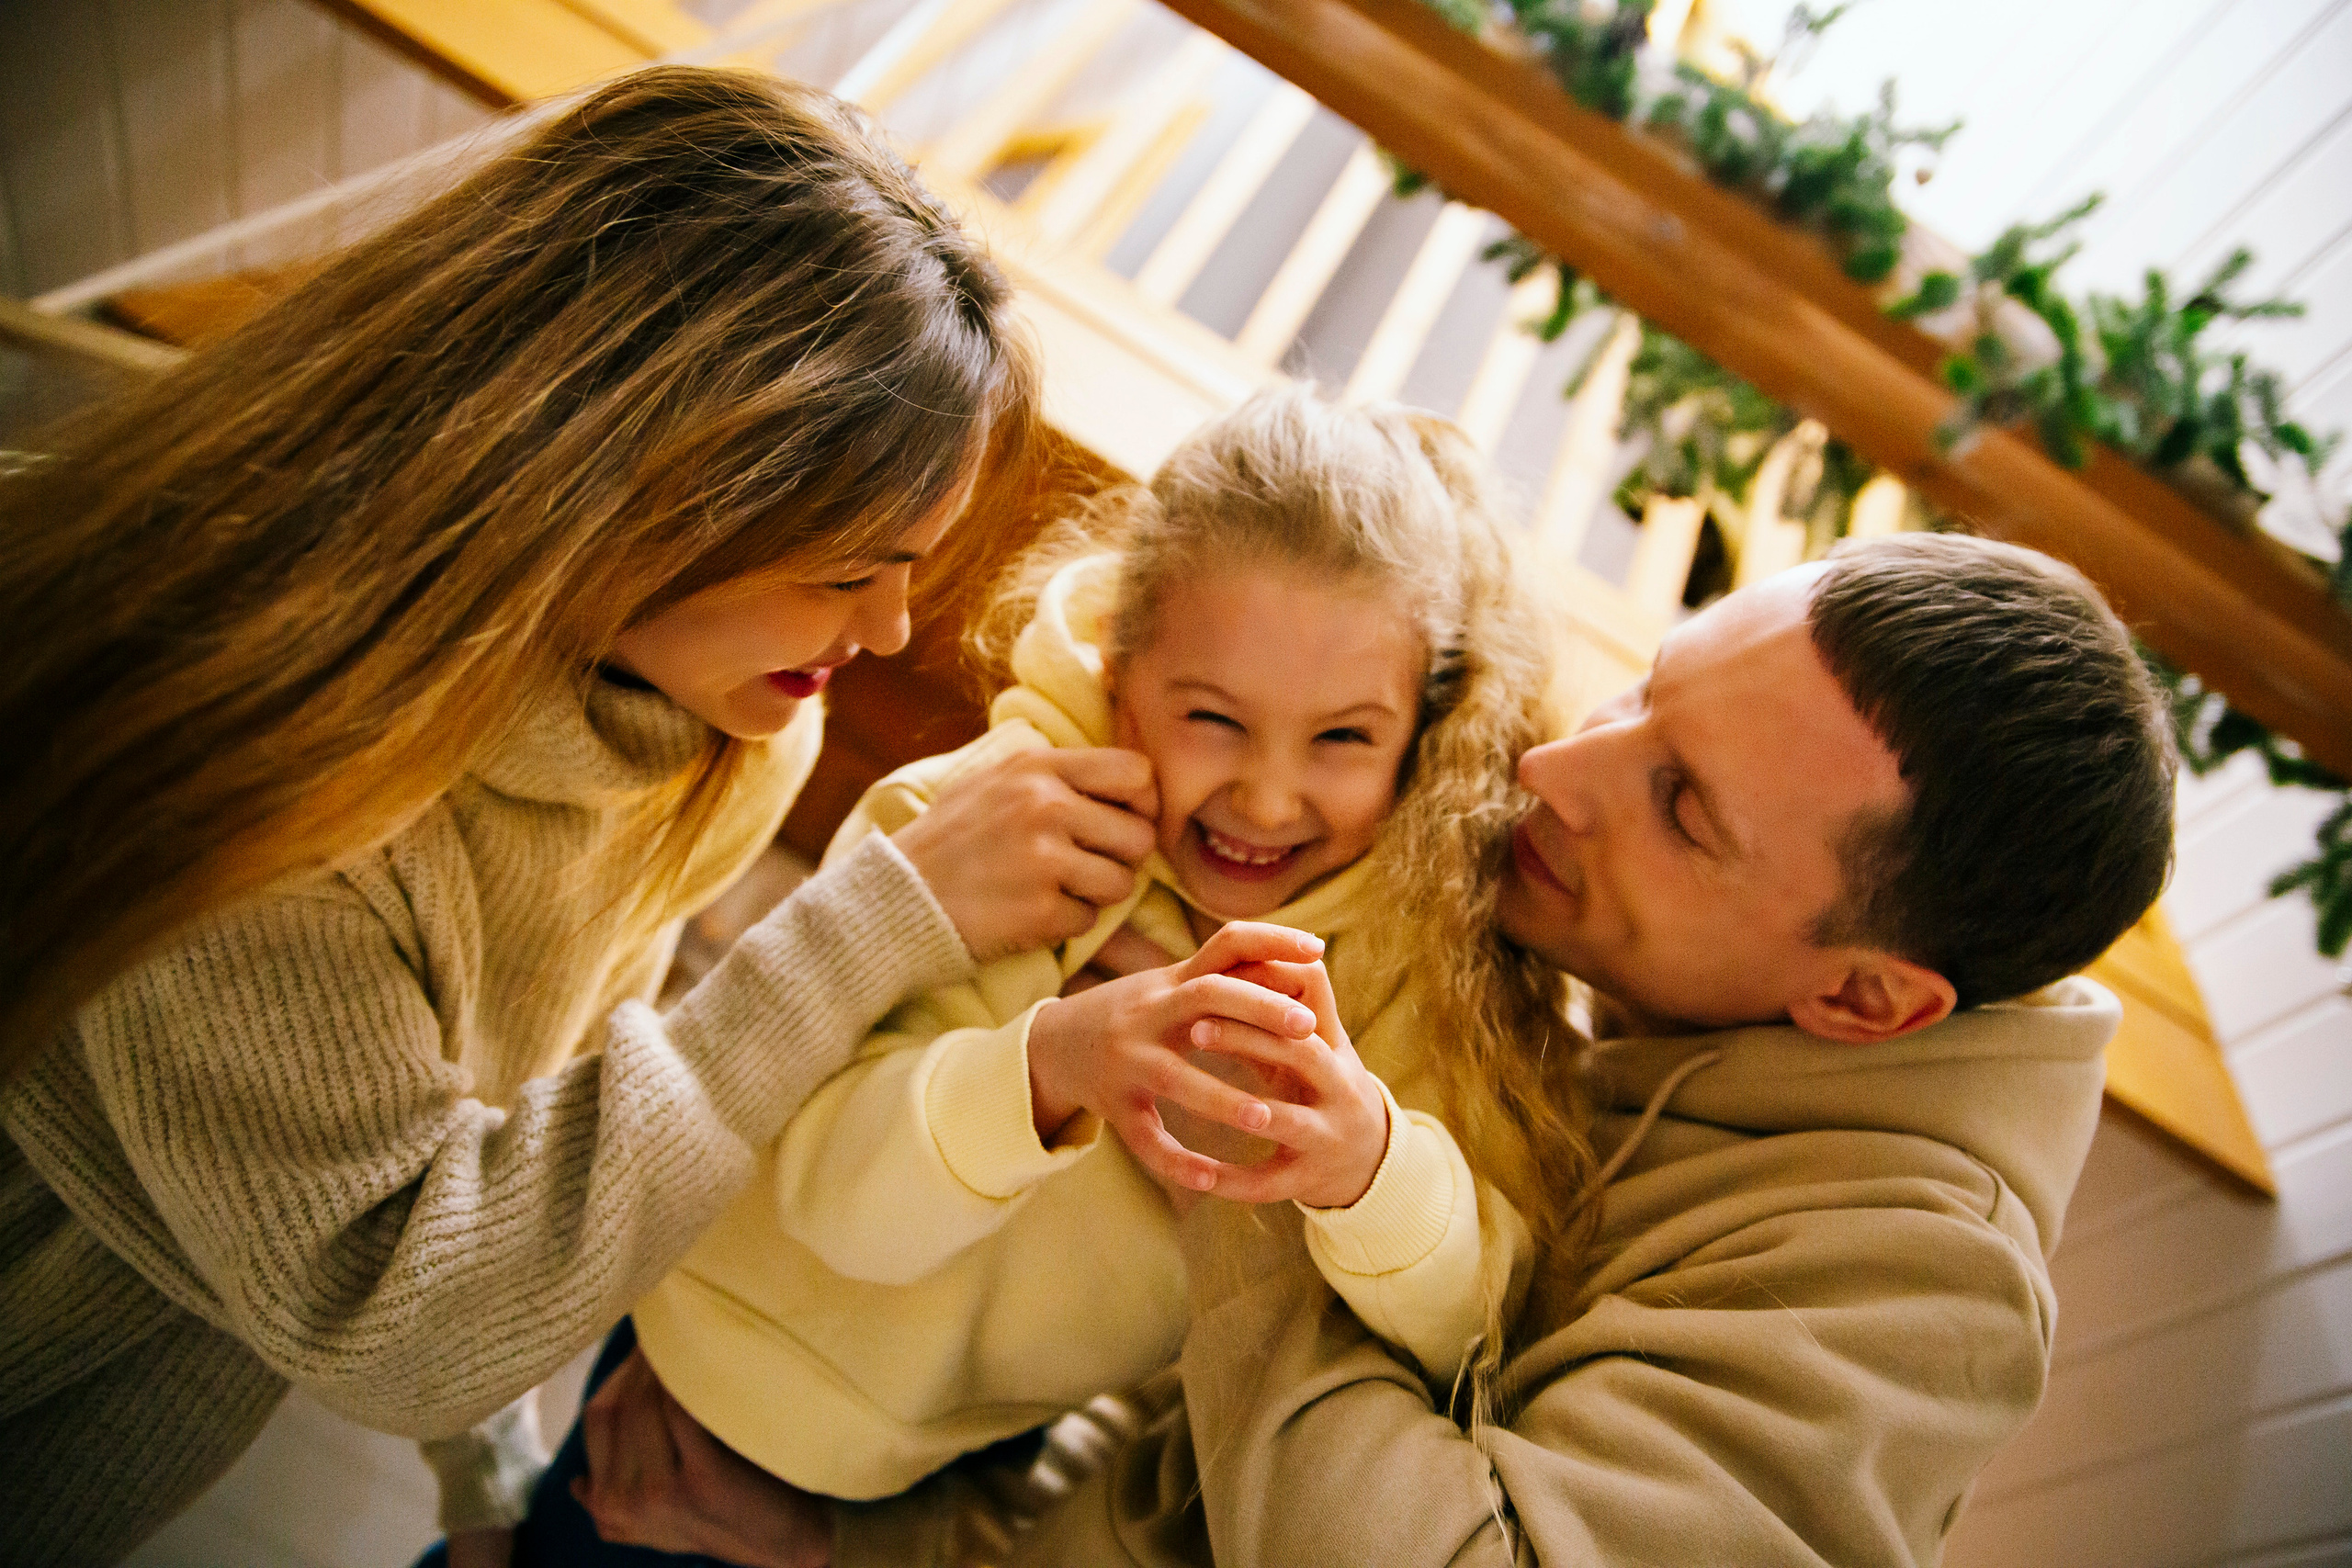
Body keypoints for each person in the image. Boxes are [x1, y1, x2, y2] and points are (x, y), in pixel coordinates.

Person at [0, 65, 1232, 1568]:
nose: (896, 631)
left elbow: (523, 1130)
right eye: (849, 565)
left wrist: (490, 1484)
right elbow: (405, 1306)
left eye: (916, 563)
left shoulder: (717, 728)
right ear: (614, 477)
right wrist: (874, 923)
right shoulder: (244, 775)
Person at [571, 531, 2177, 1568]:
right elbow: (1176, 1458)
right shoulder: (1625, 982)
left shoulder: (1913, 1294)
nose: (1556, 766)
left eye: (1682, 806)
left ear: (1865, 1002)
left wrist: (1274, 1155)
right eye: (1645, 693)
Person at [511, 389, 1602, 1562]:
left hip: (961, 1452)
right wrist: (1059, 1062)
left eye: (1342, 738)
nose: (1270, 798)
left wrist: (1366, 1167)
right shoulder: (985, 828)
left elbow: (1471, 1315)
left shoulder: (1407, 965)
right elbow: (833, 1200)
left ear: (1419, 735)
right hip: (711, 1382)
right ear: (1123, 674)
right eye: (1213, 719)